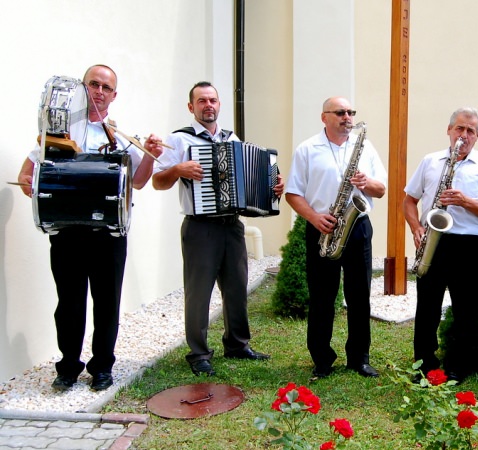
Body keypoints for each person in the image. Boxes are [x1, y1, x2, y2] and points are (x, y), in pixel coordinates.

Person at [17, 64, 163, 391]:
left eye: (105, 87)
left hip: (109, 236)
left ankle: (102, 368)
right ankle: (68, 367)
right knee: (68, 303)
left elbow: (138, 182)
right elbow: (28, 172)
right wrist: (30, 182)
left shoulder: (120, 138)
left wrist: (150, 156)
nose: (98, 91)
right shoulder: (58, 133)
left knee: (107, 303)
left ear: (114, 95)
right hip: (67, 232)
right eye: (92, 84)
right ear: (83, 89)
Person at [152, 81, 283, 376]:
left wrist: (274, 183)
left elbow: (253, 176)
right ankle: (199, 353)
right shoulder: (179, 141)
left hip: (232, 226)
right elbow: (158, 181)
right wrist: (178, 170)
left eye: (212, 100)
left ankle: (237, 344)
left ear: (219, 104)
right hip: (200, 228)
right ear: (191, 107)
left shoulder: (232, 138)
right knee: (198, 292)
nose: (208, 105)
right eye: (201, 101)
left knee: (237, 287)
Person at [403, 107, 478, 383]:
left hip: (469, 245)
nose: (464, 135)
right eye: (459, 128)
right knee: (427, 307)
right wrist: (416, 227)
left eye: (470, 130)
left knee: (465, 309)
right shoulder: (430, 161)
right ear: (449, 130)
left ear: (477, 136)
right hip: (434, 242)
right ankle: (424, 364)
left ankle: (457, 366)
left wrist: (466, 202)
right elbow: (408, 201)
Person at [285, 96, 387, 379]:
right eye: (340, 112)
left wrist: (367, 183)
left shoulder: (364, 146)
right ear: (324, 117)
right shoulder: (307, 149)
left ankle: (359, 358)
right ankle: (322, 358)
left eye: (351, 112)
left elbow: (381, 189)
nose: (347, 117)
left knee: (359, 296)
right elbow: (293, 193)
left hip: (358, 227)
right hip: (323, 227)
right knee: (322, 297)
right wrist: (314, 218)